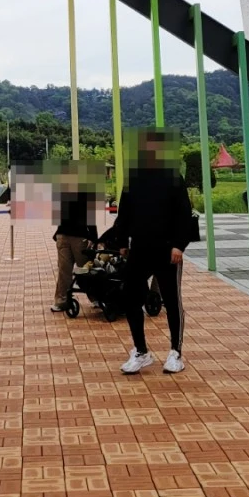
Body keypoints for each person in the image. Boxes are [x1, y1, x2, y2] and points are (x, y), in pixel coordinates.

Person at [102, 129, 194, 375]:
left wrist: (179, 244)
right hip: (139, 249)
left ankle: (175, 352)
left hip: (167, 250)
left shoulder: (173, 177)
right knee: (130, 298)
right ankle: (141, 352)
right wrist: (121, 240)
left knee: (172, 301)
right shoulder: (134, 178)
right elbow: (125, 213)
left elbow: (184, 214)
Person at [51, 182, 99, 313]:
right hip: (65, 235)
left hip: (79, 236)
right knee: (64, 269)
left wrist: (93, 238)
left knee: (85, 268)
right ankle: (61, 300)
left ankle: (96, 297)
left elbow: (90, 215)